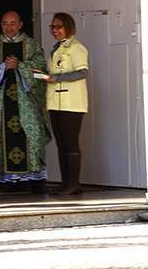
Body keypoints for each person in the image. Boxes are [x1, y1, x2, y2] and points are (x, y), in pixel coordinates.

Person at [0, 11, 51, 191]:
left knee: (31, 137)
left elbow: (42, 72)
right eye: (4, 23)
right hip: (2, 103)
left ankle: (33, 179)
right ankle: (8, 180)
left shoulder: (31, 46)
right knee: (3, 136)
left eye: (12, 23)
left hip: (27, 102)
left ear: (20, 24)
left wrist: (21, 66)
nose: (8, 27)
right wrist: (2, 67)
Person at [44, 13, 89, 196]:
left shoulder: (76, 48)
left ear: (68, 27)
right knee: (61, 143)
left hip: (71, 103)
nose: (55, 30)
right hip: (56, 101)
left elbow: (82, 72)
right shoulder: (56, 48)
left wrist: (58, 78)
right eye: (53, 27)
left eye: (59, 26)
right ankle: (66, 183)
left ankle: (73, 183)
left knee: (70, 143)